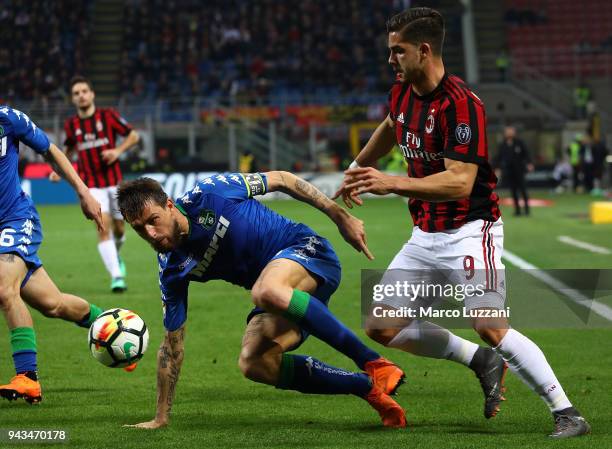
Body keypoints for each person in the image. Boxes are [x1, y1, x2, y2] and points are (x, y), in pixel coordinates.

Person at [334, 7, 590, 438]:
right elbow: (392, 126)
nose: (390, 60)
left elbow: (460, 182)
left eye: (397, 51)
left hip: (471, 232)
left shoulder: (461, 105)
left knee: (490, 323)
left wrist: (390, 182)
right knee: (381, 323)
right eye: (389, 51)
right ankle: (479, 360)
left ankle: (567, 412)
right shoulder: (401, 93)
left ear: (424, 49)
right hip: (425, 234)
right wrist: (358, 166)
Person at [118, 173, 407, 429]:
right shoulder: (171, 269)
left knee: (265, 290)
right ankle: (365, 387)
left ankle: (373, 362)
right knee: (254, 362)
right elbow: (172, 346)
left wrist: (338, 215)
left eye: (153, 221)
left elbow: (282, 179)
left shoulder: (211, 192)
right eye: (139, 229)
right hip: (280, 294)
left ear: (169, 205)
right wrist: (160, 417)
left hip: (306, 251)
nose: (151, 234)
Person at [0, 105, 106, 403]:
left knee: (3, 288)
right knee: (53, 304)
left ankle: (28, 378)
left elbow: (51, 151)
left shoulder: (7, 119)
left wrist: (83, 191)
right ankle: (109, 325)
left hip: (15, 220)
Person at [50, 76, 140, 293]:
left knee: (119, 229)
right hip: (91, 186)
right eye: (76, 93)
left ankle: (116, 256)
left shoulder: (108, 116)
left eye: (84, 91)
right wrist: (58, 170)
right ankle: (117, 277)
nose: (81, 95)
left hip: (115, 183)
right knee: (103, 228)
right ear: (73, 99)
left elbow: (133, 135)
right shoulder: (71, 125)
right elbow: (69, 150)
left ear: (92, 94)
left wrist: (117, 151)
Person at [495, 126, 534, 216]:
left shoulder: (519, 143)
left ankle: (527, 210)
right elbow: (498, 157)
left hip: (519, 171)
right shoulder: (503, 144)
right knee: (513, 191)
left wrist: (529, 163)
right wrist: (497, 167)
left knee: (523, 190)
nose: (509, 133)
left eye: (511, 131)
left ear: (514, 132)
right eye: (507, 131)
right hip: (509, 171)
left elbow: (526, 154)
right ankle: (517, 210)